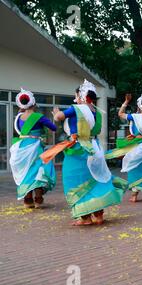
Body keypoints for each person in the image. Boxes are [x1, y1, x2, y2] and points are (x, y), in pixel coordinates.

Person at [49, 80, 127, 226]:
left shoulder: (77, 109)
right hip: (94, 147)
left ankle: (85, 217)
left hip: (78, 150)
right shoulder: (97, 112)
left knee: (76, 181)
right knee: (95, 180)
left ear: (81, 96)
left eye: (76, 96)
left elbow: (59, 117)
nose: (75, 99)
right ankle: (98, 215)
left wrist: (56, 112)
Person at [10, 89, 57, 209]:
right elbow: (53, 128)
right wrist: (55, 117)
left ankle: (28, 199)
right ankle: (38, 198)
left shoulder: (18, 117)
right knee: (38, 171)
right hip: (35, 147)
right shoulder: (38, 116)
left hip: (22, 147)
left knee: (26, 173)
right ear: (34, 103)